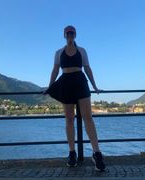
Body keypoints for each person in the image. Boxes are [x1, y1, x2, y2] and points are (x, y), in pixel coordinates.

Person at [44, 25, 105, 171]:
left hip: (80, 82)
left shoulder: (82, 51)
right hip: (65, 83)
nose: (70, 35)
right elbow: (55, 70)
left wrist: (95, 87)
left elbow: (88, 69)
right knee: (69, 119)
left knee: (88, 117)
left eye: (72, 33)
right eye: (68, 33)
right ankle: (72, 153)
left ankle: (97, 153)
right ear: (65, 35)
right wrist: (49, 86)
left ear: (75, 35)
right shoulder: (58, 52)